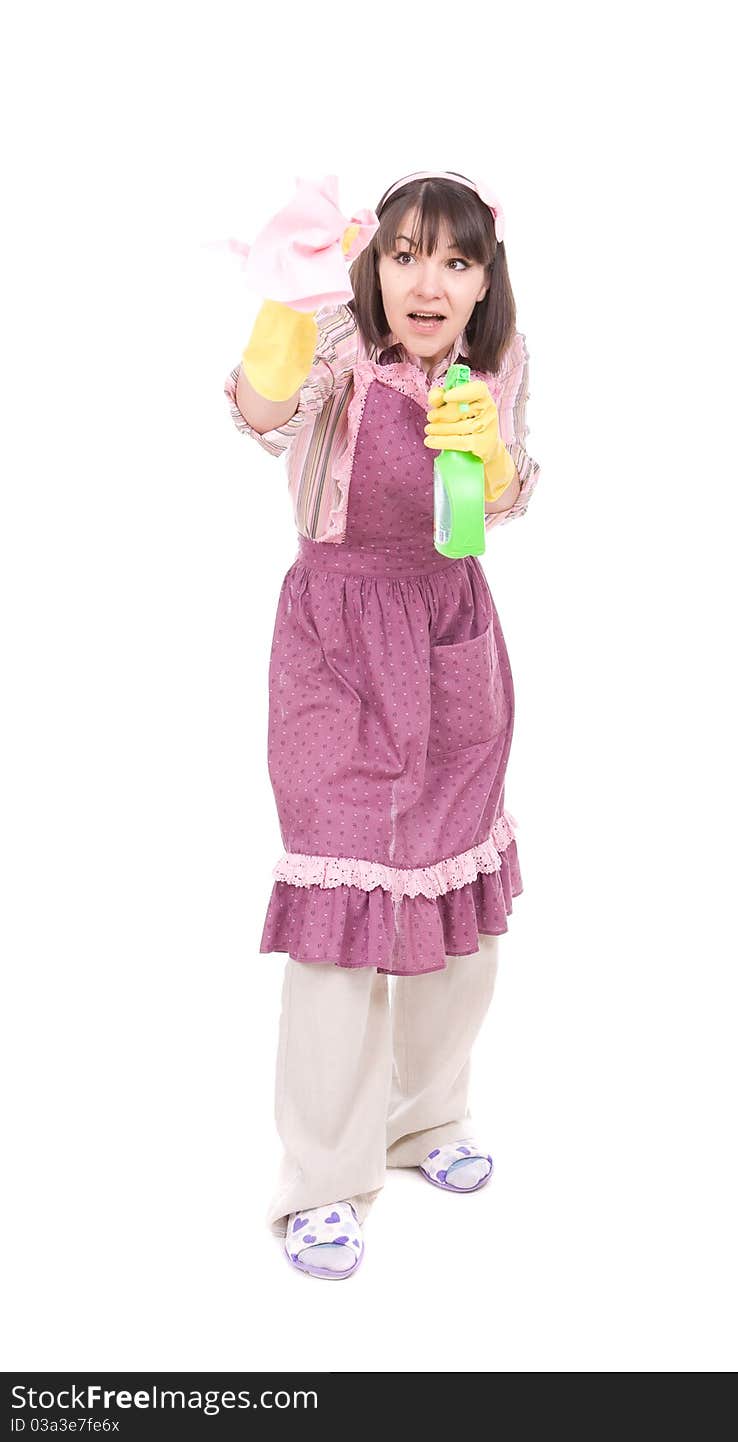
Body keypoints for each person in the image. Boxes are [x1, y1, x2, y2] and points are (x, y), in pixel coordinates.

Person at [223, 171, 540, 1279]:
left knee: (457, 898)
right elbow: (259, 411)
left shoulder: (497, 364)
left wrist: (492, 455)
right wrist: (281, 297)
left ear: (484, 278)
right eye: (405, 253)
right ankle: (322, 1179)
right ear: (370, 261)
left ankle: (425, 1118)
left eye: (457, 261)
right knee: (338, 906)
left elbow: (505, 497)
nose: (428, 280)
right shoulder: (332, 347)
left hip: (453, 638)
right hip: (333, 643)